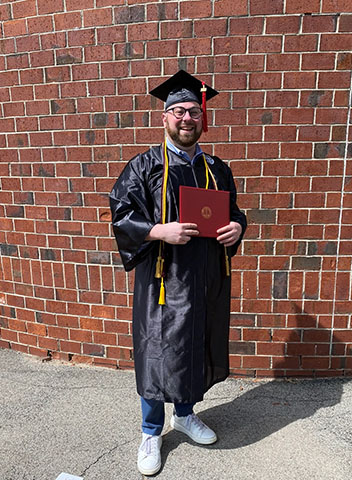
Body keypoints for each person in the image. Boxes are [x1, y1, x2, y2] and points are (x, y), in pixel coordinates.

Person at [109, 70, 247, 476]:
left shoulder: (217, 168)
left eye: (194, 112)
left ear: (202, 119)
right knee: (156, 350)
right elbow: (121, 217)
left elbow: (234, 212)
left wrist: (238, 226)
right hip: (161, 281)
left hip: (203, 279)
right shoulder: (144, 166)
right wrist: (157, 230)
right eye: (179, 111)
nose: (188, 118)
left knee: (193, 346)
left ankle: (184, 415)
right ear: (165, 117)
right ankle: (151, 430)